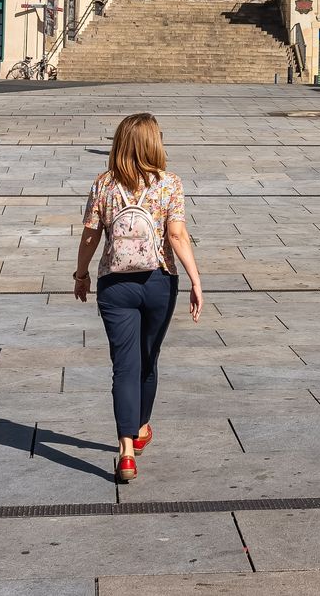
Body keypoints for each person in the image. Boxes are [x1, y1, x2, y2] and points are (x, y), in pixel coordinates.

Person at [73, 112, 203, 483]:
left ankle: (127, 450)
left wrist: (81, 275)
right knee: (148, 359)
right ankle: (141, 425)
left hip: (115, 285)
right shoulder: (169, 184)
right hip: (159, 282)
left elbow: (89, 237)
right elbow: (177, 235)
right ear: (153, 143)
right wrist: (195, 280)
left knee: (124, 365)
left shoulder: (103, 185)